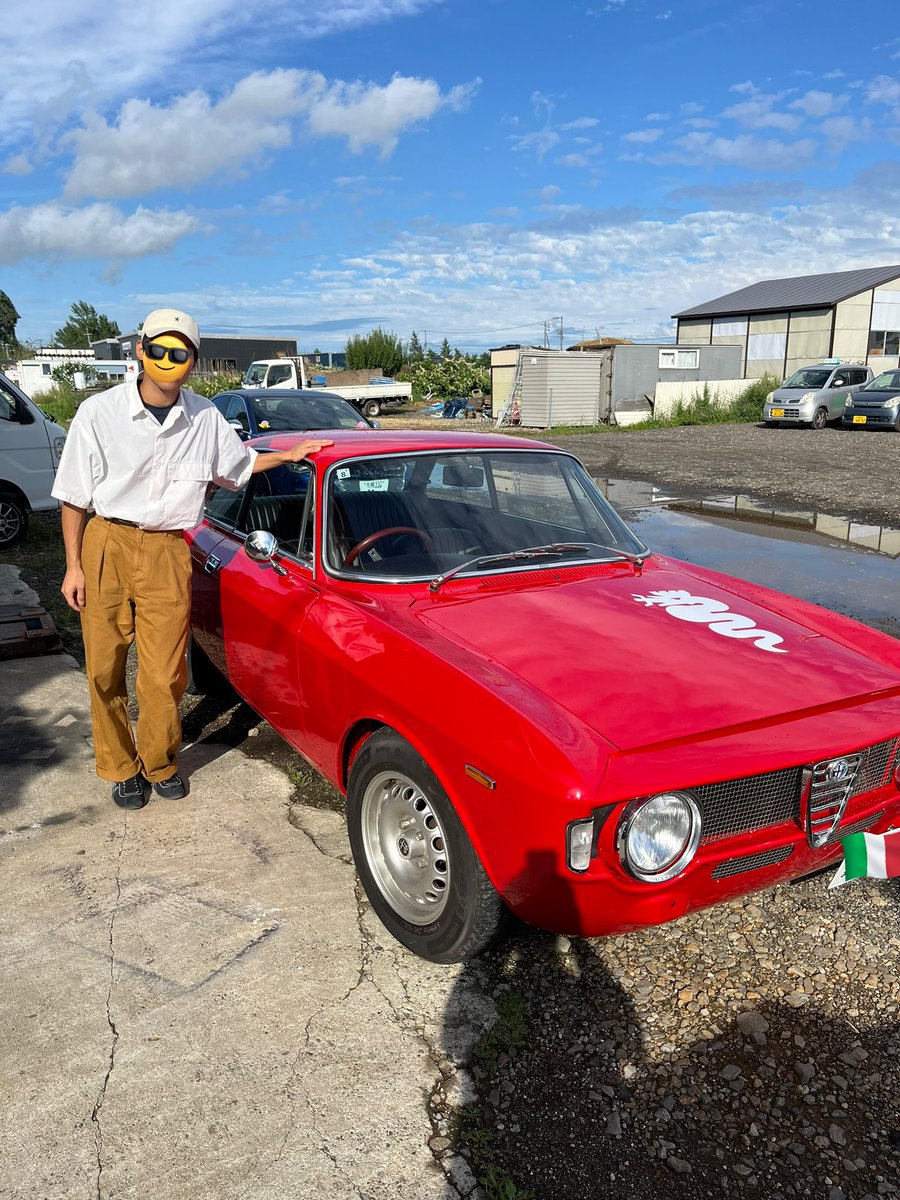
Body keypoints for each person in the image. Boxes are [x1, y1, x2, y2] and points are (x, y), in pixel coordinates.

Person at [52, 309, 332, 811]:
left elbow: (240, 465)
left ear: (192, 362)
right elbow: (73, 496)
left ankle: (158, 762)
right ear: (140, 351)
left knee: (163, 672)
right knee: (104, 667)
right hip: (106, 543)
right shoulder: (99, 413)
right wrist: (73, 565)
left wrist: (290, 455)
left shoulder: (205, 417)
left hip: (166, 548)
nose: (166, 360)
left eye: (178, 353)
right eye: (157, 349)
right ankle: (120, 768)